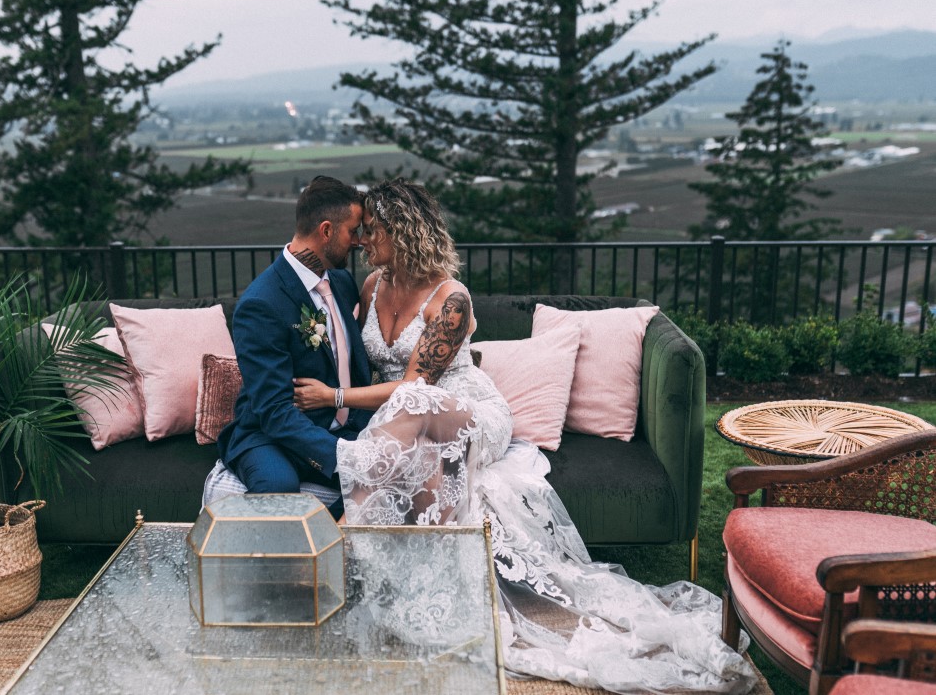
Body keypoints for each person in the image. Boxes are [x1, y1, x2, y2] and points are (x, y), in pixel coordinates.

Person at [293, 178, 757, 694]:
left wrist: (332, 397)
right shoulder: (371, 286)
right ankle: (372, 564)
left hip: (466, 409)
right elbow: (360, 360)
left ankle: (337, 536)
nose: (362, 241)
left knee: (415, 403)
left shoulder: (452, 299)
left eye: (372, 230)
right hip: (402, 419)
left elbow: (413, 386)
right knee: (409, 431)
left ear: (402, 231)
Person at [217, 175, 373, 520]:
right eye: (353, 231)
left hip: (342, 424)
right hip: (269, 433)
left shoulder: (343, 283)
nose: (359, 241)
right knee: (278, 488)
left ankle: (334, 540)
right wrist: (342, 459)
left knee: (398, 472)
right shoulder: (262, 303)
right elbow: (273, 410)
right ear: (327, 231)